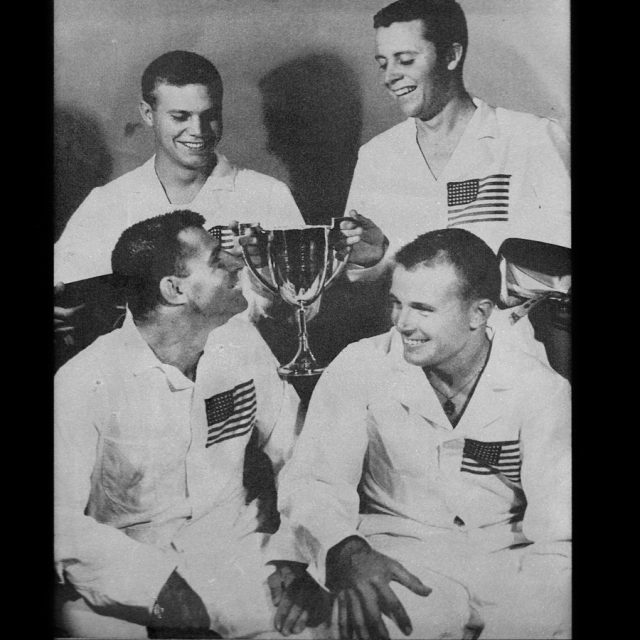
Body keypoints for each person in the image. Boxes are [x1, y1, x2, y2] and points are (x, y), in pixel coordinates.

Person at [278, 228, 571, 639]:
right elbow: (315, 480)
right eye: (396, 304)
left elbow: (560, 536)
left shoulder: (541, 389)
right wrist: (344, 550)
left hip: (509, 559)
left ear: (479, 313)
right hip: (399, 552)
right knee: (373, 624)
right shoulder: (360, 364)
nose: (402, 323)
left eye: (423, 309)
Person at [54, 210, 331, 639]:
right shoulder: (83, 382)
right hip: (129, 581)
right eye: (220, 260)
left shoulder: (241, 342)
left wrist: (300, 556)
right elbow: (59, 522)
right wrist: (158, 593)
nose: (239, 265)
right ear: (175, 289)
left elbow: (299, 453)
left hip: (244, 560)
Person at [343, 0, 571, 368]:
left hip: (511, 358)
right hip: (409, 360)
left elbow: (561, 269)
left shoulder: (530, 138)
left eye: (405, 60)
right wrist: (374, 255)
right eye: (383, 63)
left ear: (451, 55)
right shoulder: (376, 157)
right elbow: (366, 285)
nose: (389, 77)